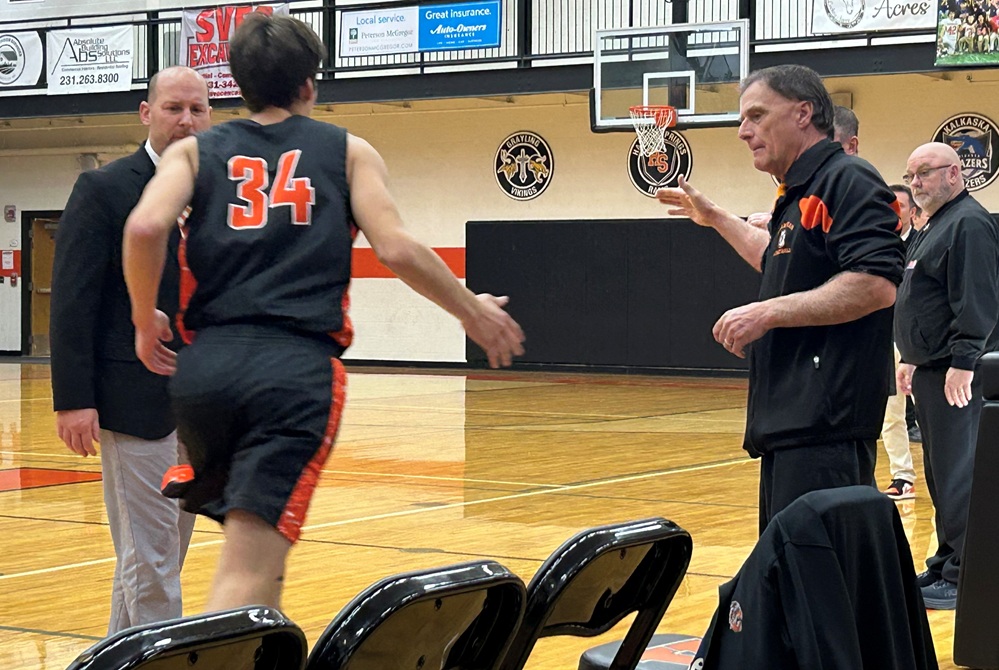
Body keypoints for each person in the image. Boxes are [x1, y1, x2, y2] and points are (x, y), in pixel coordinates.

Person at [122, 12, 525, 612]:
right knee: (248, 568)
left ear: (236, 83)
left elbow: (146, 225)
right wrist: (470, 310)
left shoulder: (197, 153)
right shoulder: (347, 151)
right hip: (291, 371)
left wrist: (142, 316)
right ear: (310, 84)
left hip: (203, 373)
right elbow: (396, 247)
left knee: (256, 550)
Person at [656, 64, 904, 534]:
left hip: (827, 427)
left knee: (820, 585)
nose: (743, 132)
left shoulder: (847, 178)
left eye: (755, 115)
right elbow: (778, 261)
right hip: (793, 428)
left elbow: (876, 284)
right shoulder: (797, 193)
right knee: (790, 579)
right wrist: (716, 218)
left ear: (803, 113)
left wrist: (767, 312)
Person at [49, 66, 211, 634]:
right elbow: (72, 300)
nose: (185, 119)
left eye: (197, 108)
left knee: (158, 560)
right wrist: (73, 399)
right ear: (146, 113)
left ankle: (117, 656)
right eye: (173, 108)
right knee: (154, 562)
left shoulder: (220, 193)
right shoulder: (106, 189)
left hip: (200, 407)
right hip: (130, 400)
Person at [895, 142, 999, 609]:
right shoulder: (934, 225)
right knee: (939, 474)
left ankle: (963, 577)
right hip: (931, 370)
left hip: (958, 374)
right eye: (911, 175)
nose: (915, 183)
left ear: (954, 174)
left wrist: (963, 361)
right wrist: (912, 357)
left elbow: (976, 299)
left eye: (924, 173)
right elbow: (923, 301)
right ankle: (946, 562)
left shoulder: (970, 224)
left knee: (960, 476)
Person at [881, 184, 920, 501]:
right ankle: (902, 475)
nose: (894, 212)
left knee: (932, 414)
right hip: (886, 338)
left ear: (913, 212)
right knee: (891, 414)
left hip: (919, 343)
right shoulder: (876, 245)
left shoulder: (922, 244)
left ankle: (952, 472)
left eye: (901, 206)